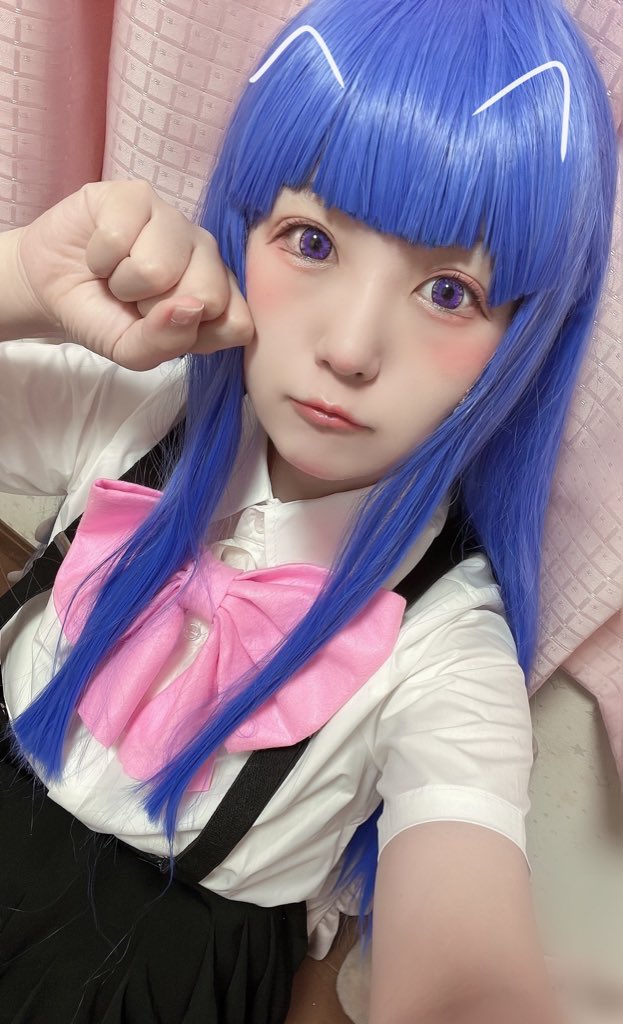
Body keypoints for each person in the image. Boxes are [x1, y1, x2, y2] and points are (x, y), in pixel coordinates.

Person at [0, 0, 617, 1021]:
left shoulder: (443, 643)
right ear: (240, 228)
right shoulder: (136, 408)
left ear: (519, 341)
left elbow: (461, 946)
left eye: (449, 292)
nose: (350, 347)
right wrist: (22, 276)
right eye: (311, 240)